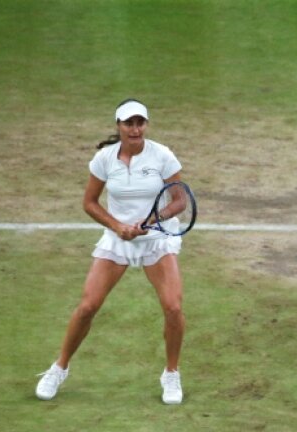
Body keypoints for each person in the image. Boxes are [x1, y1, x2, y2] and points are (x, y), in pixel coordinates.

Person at [36, 99, 187, 405]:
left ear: (146, 125)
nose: (135, 129)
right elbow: (90, 202)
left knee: (172, 307)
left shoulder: (162, 155)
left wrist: (150, 221)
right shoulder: (104, 159)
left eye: (140, 123)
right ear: (118, 126)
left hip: (156, 239)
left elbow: (180, 200)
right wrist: (118, 226)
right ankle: (59, 367)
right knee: (88, 306)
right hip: (118, 239)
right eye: (128, 123)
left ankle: (171, 374)